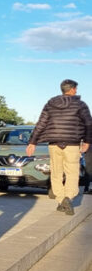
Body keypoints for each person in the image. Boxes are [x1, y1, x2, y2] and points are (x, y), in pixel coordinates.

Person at [26, 79, 92, 215]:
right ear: (73, 89)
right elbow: (88, 124)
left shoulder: (50, 104)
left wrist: (32, 142)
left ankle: (61, 200)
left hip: (54, 144)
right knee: (72, 172)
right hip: (72, 144)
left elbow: (41, 123)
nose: (77, 91)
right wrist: (87, 142)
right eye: (76, 89)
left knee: (56, 173)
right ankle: (68, 198)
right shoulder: (80, 105)